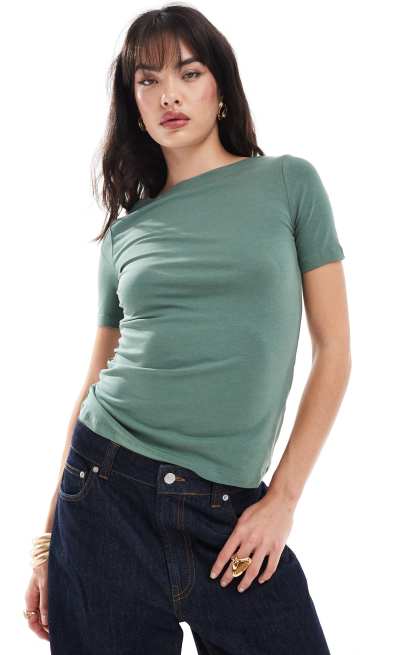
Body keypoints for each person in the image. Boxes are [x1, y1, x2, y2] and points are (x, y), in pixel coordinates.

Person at [24, 4, 351, 653]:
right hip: (105, 492)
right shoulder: (125, 233)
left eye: (188, 73)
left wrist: (282, 500)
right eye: (147, 80)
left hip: (228, 511)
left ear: (220, 88)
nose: (168, 94)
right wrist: (47, 540)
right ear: (133, 105)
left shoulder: (288, 183)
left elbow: (334, 349)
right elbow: (95, 378)